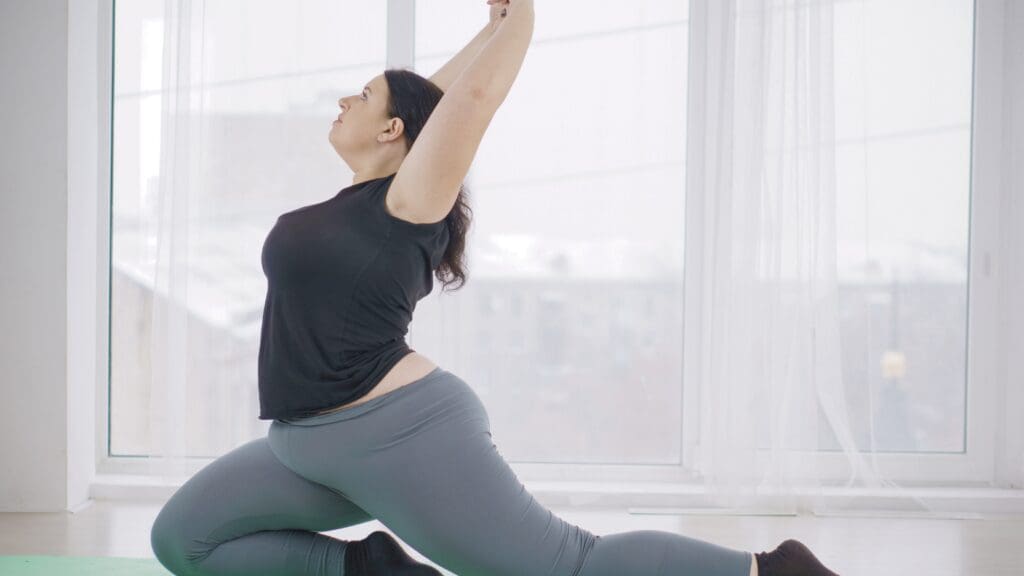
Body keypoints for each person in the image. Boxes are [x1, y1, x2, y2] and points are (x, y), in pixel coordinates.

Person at [150, 1, 842, 574]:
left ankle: (773, 570)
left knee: (567, 565)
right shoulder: (356, 199)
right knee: (182, 540)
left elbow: (468, 103)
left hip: (395, 433)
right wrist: (489, 26)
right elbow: (431, 101)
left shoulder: (408, 203)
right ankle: (369, 571)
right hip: (299, 441)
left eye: (362, 95)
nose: (342, 98)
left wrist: (521, 19)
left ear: (393, 132)